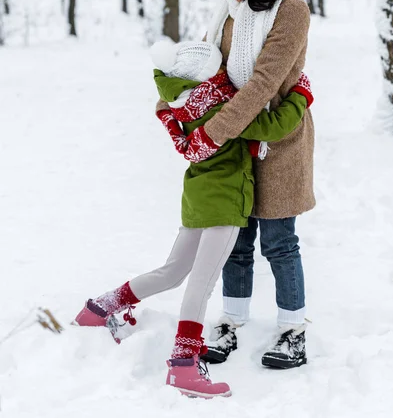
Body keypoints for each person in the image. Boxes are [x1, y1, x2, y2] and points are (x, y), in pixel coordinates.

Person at [74, 38, 313, 398]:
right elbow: (274, 126)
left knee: (172, 271)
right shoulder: (223, 106)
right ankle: (184, 364)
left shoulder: (178, 99)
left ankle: (100, 307)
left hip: (197, 196)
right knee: (200, 284)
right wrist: (301, 95)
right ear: (207, 74)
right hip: (225, 202)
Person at [160, 0, 316, 369]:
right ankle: (231, 318)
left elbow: (263, 84)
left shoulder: (292, 12)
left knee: (279, 240)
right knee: (235, 238)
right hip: (233, 141)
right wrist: (175, 103)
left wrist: (209, 131)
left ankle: (292, 330)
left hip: (277, 138)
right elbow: (204, 62)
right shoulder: (229, 9)